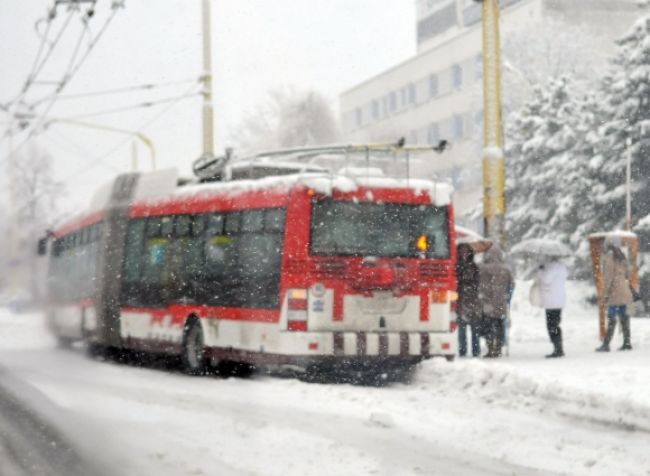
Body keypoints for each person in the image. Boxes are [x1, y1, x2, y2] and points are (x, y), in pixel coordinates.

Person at [596, 238, 634, 352]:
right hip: (624, 289)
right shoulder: (622, 256)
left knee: (612, 318)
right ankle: (627, 343)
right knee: (624, 317)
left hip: (614, 291)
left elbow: (608, 278)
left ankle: (606, 344)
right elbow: (628, 273)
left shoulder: (609, 257)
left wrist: (605, 294)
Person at [478, 244, 514, 358]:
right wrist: (507, 295)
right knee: (499, 326)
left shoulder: (482, 268)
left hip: (486, 302)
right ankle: (498, 348)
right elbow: (512, 284)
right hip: (500, 302)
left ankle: (490, 348)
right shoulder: (506, 269)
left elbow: (477, 283)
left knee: (487, 326)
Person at [535, 258, 568, 358]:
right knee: (556, 324)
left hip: (551, 301)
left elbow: (546, 280)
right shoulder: (562, 267)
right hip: (559, 300)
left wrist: (541, 270)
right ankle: (559, 347)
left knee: (551, 325)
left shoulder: (552, 267)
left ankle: (557, 349)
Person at [456, 244, 481, 357]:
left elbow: (477, 283)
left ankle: (475, 350)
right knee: (462, 328)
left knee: (474, 328)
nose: (464, 254)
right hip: (461, 300)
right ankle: (462, 350)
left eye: (466, 252)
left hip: (472, 300)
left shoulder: (474, 266)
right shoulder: (457, 266)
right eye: (462, 252)